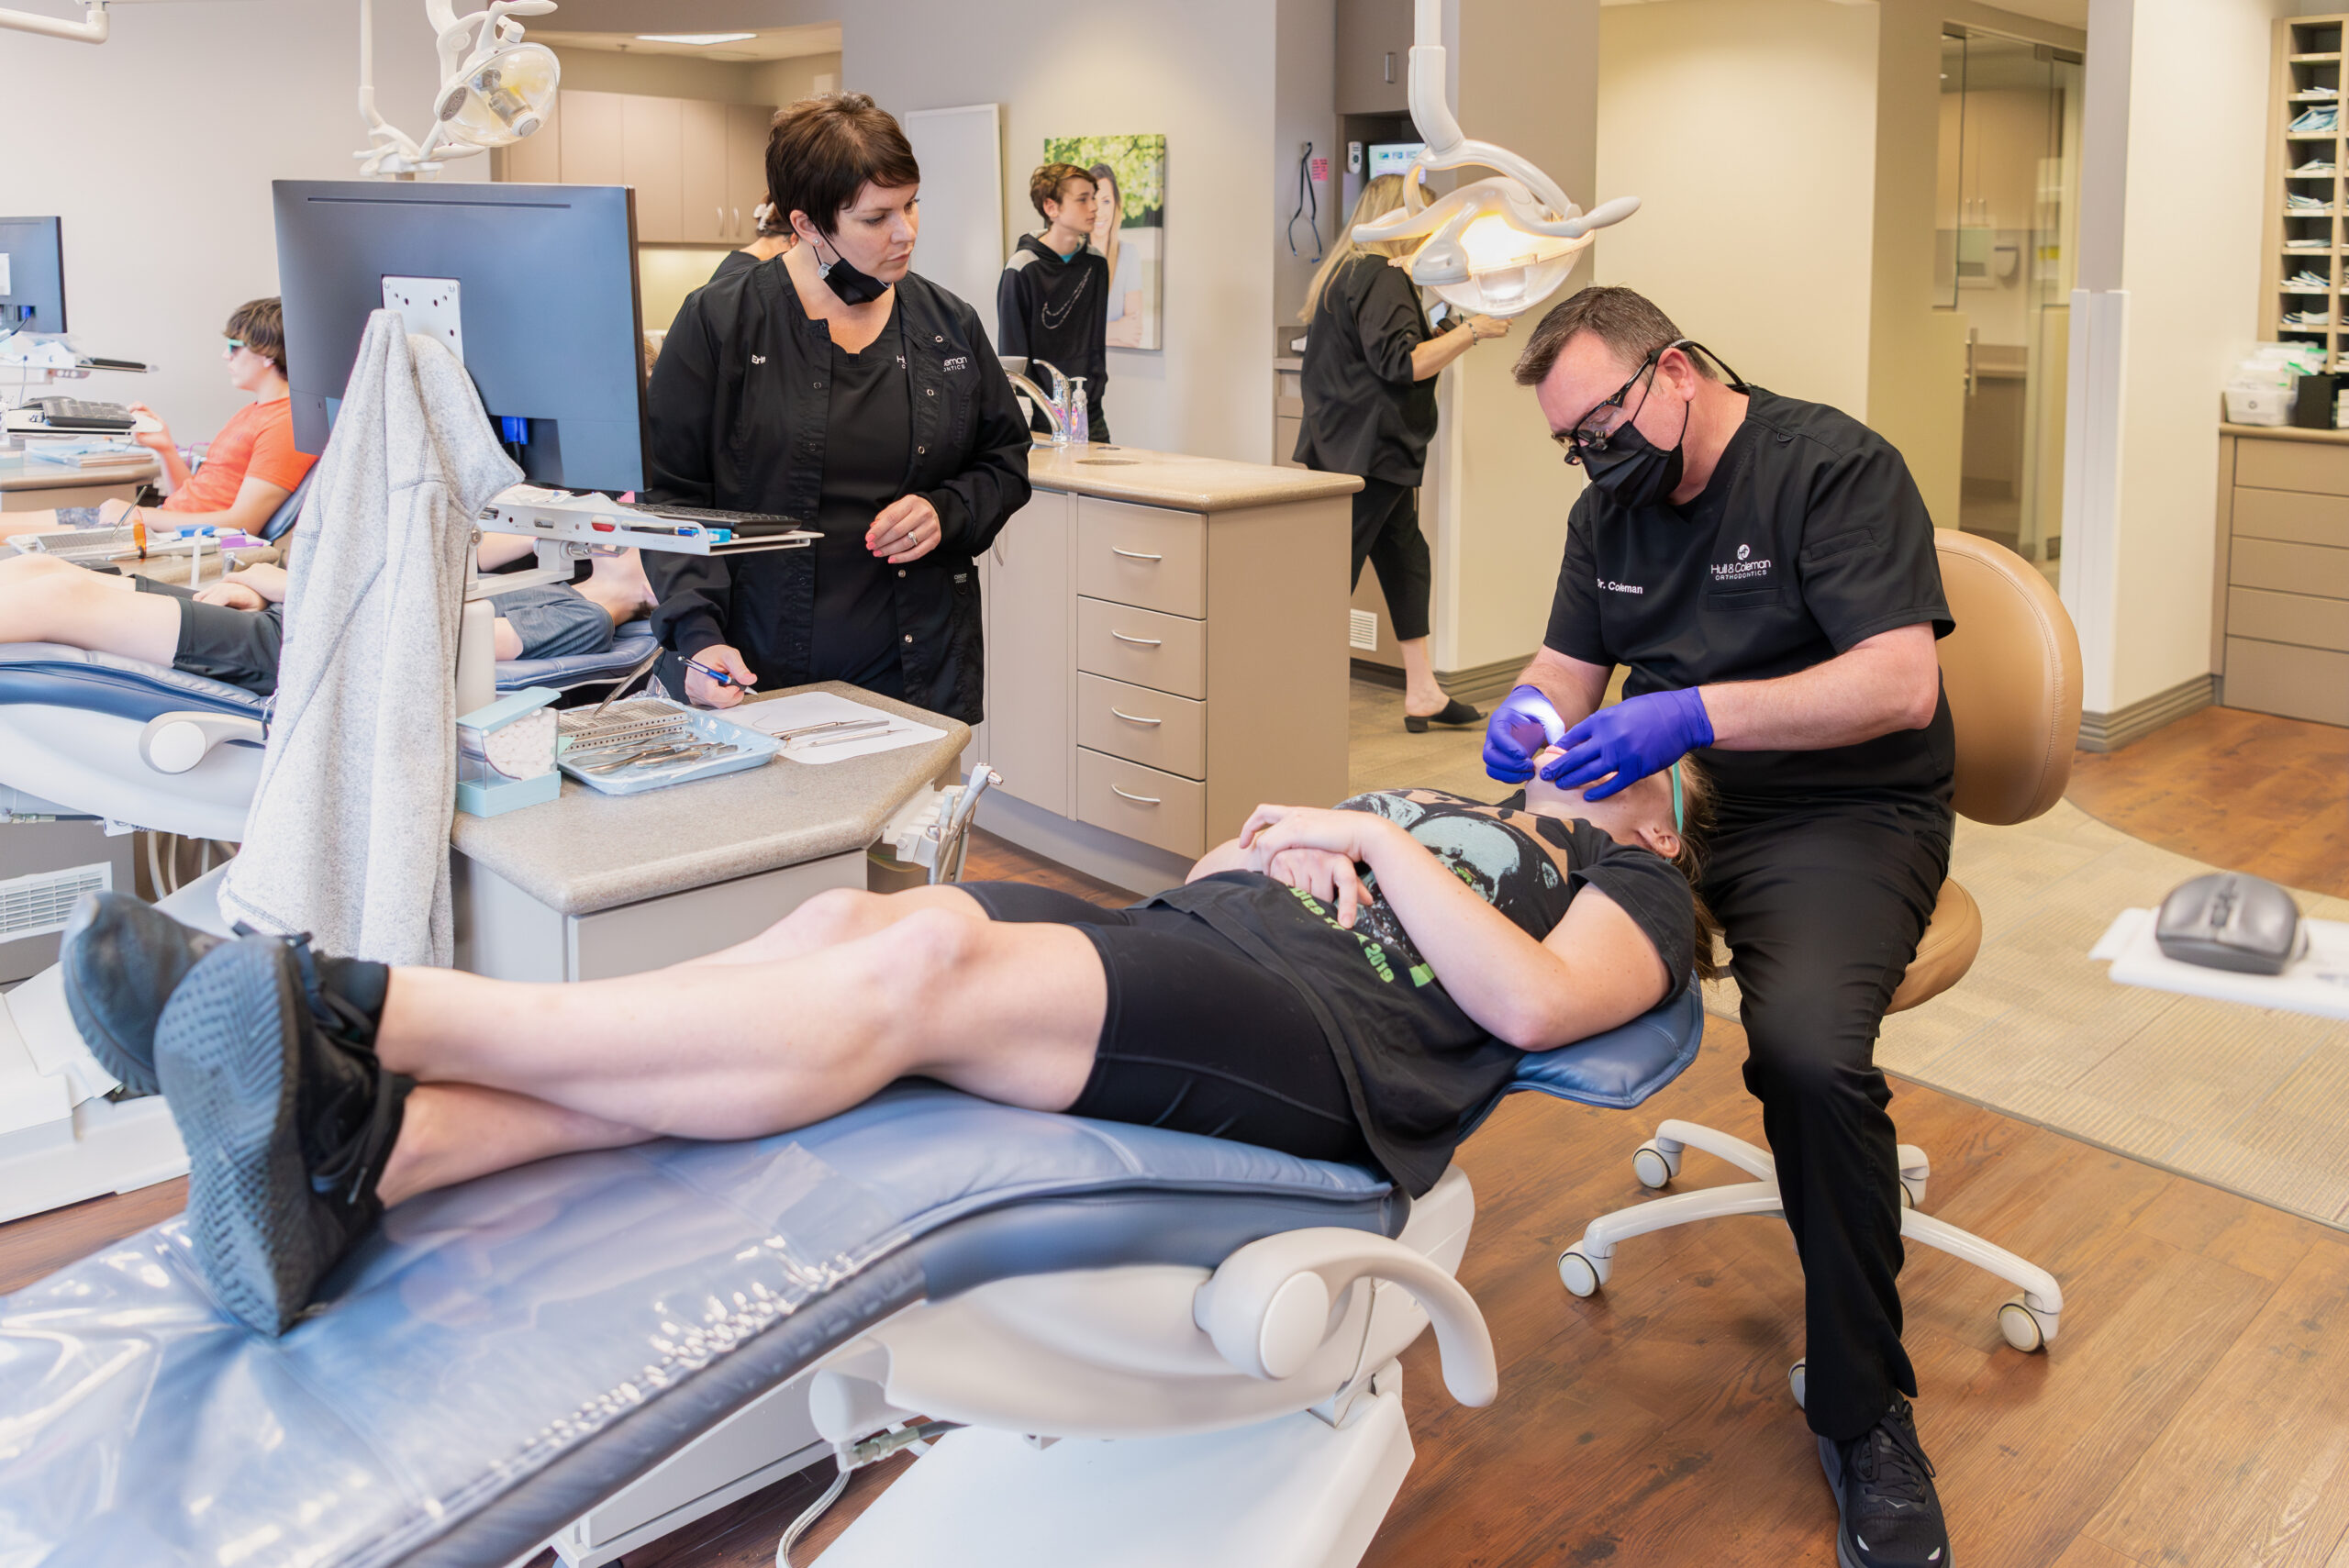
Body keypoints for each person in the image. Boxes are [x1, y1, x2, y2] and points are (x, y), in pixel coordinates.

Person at [63, 754, 1717, 1336]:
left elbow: (1530, 1007)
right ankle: (375, 1150)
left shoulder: (1635, 882)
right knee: (845, 935)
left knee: (920, 954)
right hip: (1214, 941)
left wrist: (1383, 841)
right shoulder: (1480, 809)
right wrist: (1270, 851)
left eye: (1642, 758)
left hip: (1324, 1052)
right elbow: (1236, 871)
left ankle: (356, 1003)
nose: (1599, 761)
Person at [1484, 284, 1956, 1568]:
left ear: (1676, 371)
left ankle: (1868, 1420)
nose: (1595, 459)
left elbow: (1899, 681)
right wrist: (1527, 717)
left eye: (1605, 423)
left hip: (1850, 816)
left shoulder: (1834, 470)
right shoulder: (1610, 512)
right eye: (1570, 443)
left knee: (1805, 1053)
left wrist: (1694, 716)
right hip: (1682, 809)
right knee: (1472, 923)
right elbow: (1567, 673)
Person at [641, 94, 1030, 722]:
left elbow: (1004, 461)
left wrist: (947, 509)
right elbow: (672, 499)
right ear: (806, 224)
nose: (906, 231)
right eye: (876, 218)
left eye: (911, 204)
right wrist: (698, 636)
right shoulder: (722, 322)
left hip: (916, 675)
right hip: (758, 674)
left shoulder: (948, 325)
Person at [1296, 174, 1510, 734]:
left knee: (1406, 558)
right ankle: (1295, 700)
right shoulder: (1379, 276)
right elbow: (1403, 364)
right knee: (1325, 578)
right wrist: (1474, 332)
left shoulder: (1348, 272)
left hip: (1354, 448)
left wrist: (1445, 323)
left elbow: (1389, 350)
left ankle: (1423, 691)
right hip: (1370, 454)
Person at [0, 540, 659, 696]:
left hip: (297, 648)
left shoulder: (583, 621)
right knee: (55, 574)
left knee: (61, 600)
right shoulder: (550, 580)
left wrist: (287, 587)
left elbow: (430, 640)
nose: (612, 532)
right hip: (292, 622)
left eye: (631, 537)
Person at [0, 298, 317, 544]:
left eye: (234, 347)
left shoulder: (285, 424)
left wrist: (140, 515)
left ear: (268, 353)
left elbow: (242, 522)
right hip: (165, 522)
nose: (225, 356)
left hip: (170, 537)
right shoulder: (254, 411)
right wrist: (164, 448)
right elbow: (193, 497)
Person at [997, 161, 1111, 442]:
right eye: (1083, 199)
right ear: (1052, 208)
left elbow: (1095, 340)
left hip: (1089, 412)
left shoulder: (1096, 263)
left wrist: (1093, 392)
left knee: (1099, 486)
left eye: (1094, 198)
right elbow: (1014, 357)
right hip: (1040, 415)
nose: (1094, 207)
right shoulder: (1022, 268)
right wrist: (1027, 414)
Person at [1092, 162, 1145, 350]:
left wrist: (1087, 336)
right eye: (1093, 200)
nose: (1099, 210)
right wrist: (1115, 331)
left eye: (1106, 201)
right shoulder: (1072, 258)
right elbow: (1065, 335)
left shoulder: (1128, 255)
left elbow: (1133, 335)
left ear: (1116, 205)